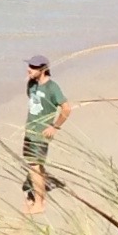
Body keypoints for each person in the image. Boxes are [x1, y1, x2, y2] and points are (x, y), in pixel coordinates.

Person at [22, 55, 72, 215]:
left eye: (33, 67)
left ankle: (39, 203)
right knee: (35, 166)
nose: (29, 69)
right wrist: (31, 77)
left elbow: (66, 108)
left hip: (40, 134)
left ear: (43, 70)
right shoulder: (31, 84)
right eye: (29, 66)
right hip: (30, 131)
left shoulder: (52, 87)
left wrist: (55, 127)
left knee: (34, 167)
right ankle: (38, 197)